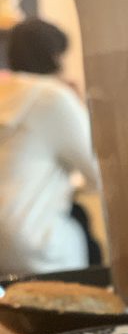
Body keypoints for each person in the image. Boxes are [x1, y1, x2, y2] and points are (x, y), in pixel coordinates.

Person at [0, 18, 101, 275]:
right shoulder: (52, 97)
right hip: (34, 245)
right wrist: (78, 104)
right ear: (55, 56)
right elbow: (100, 171)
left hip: (5, 249)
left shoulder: (6, 94)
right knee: (86, 231)